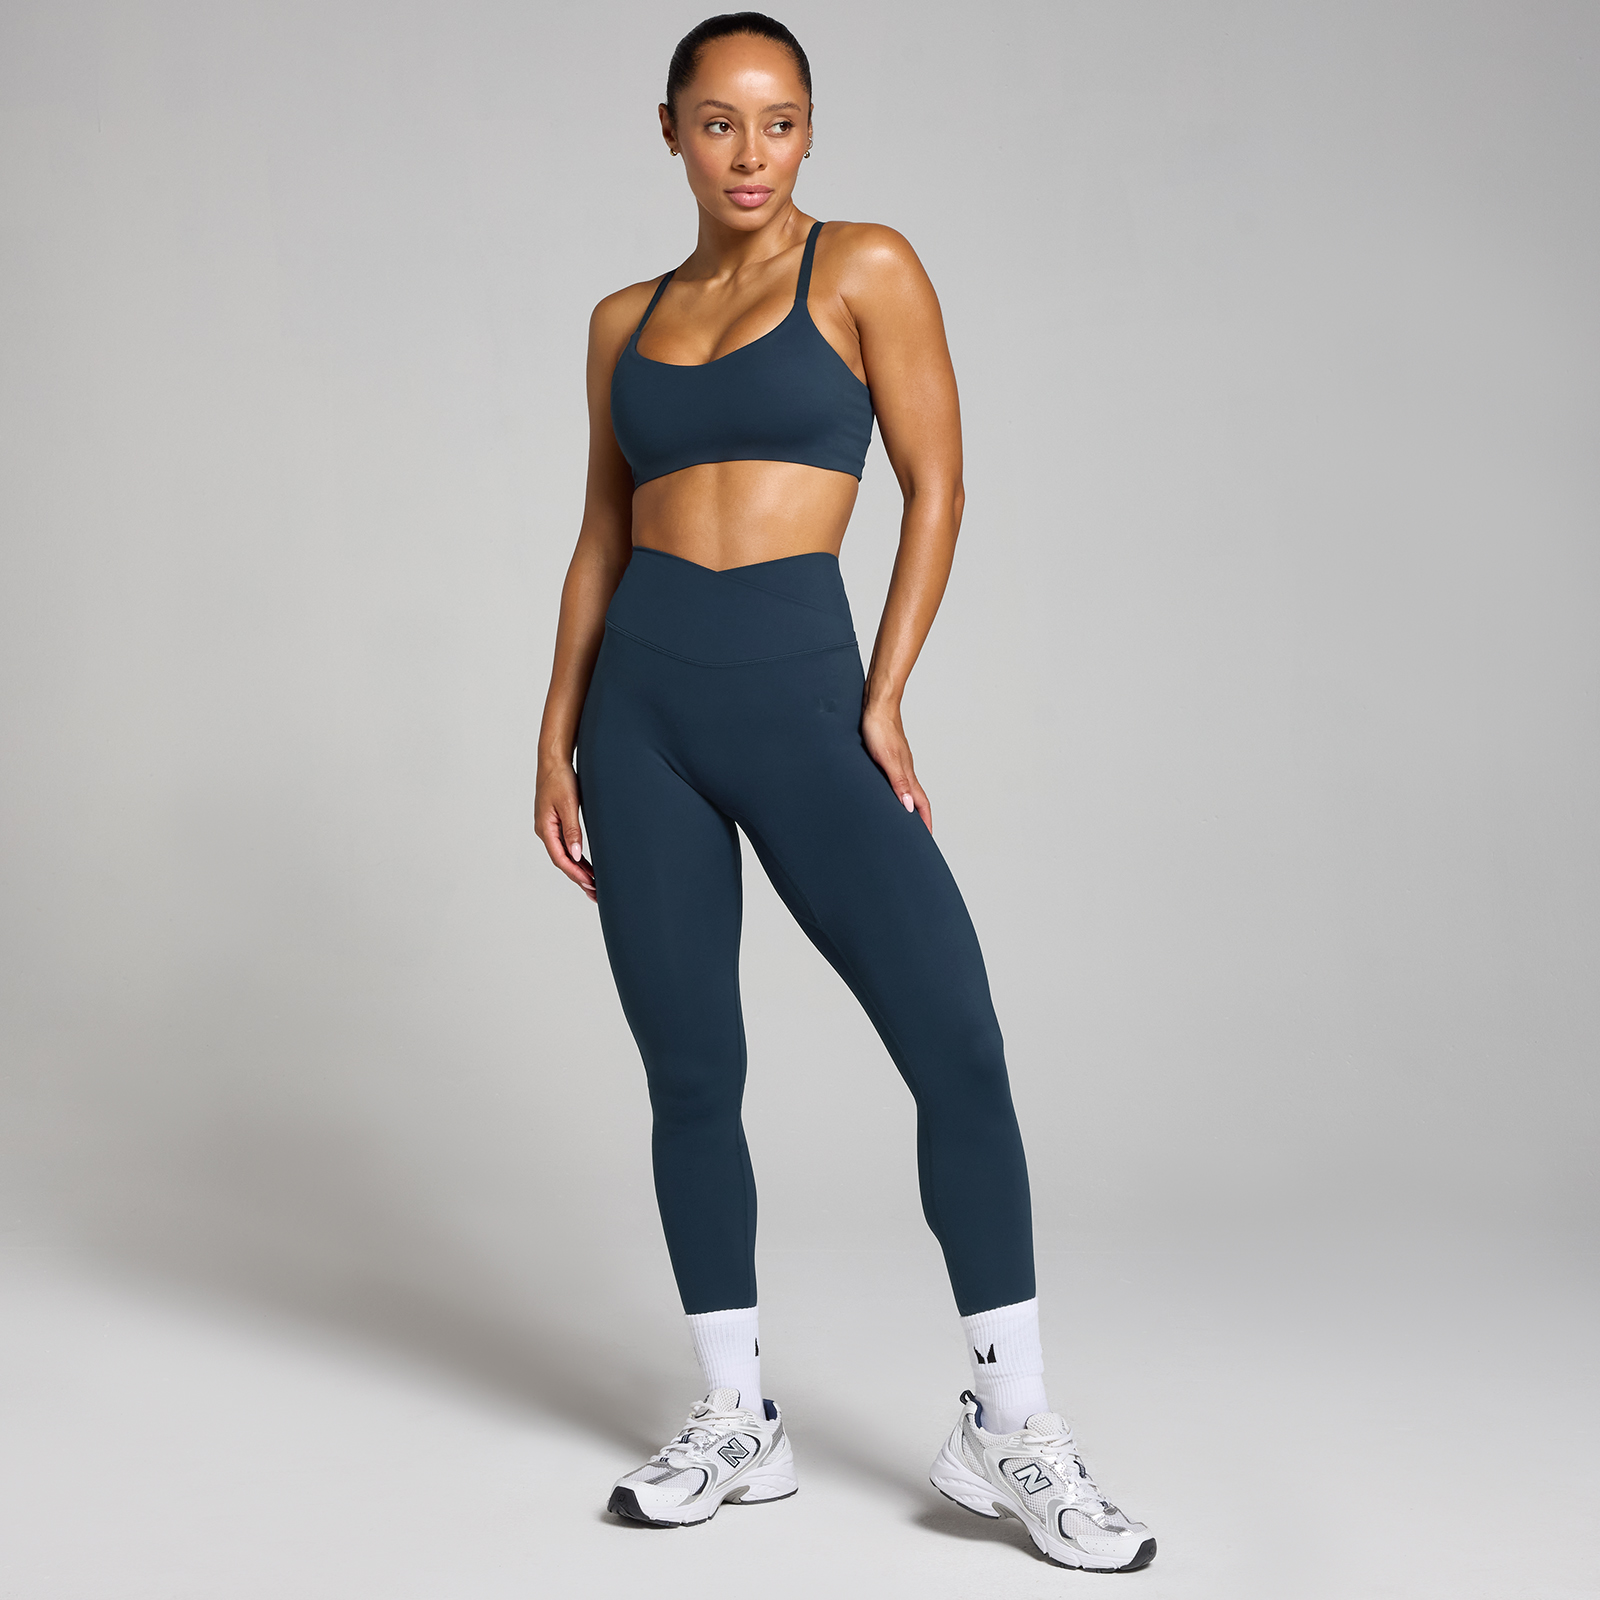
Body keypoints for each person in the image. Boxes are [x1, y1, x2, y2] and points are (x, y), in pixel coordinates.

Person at [533, 12, 1156, 1573]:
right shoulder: (621, 321)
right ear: (670, 129)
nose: (751, 152)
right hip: (642, 716)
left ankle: (1008, 1425)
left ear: (810, 130)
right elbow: (602, 532)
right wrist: (555, 732)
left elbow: (939, 484)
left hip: (805, 701)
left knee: (957, 1041)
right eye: (720, 121)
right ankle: (735, 1415)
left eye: (781, 120)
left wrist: (883, 694)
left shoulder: (864, 267)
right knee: (692, 1071)